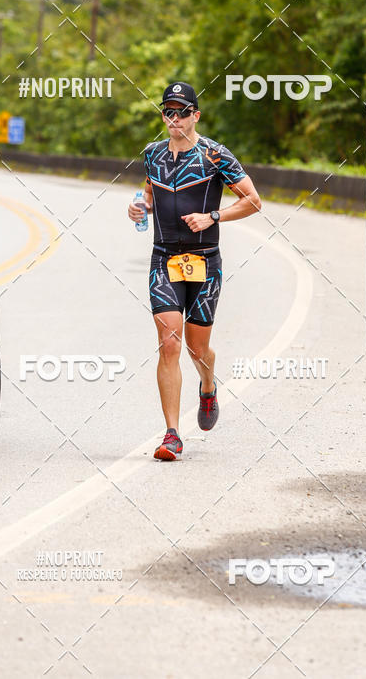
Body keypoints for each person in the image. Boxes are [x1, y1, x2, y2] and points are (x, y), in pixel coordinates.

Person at [127, 82, 262, 461]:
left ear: (195, 115)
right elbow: (150, 196)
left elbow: (253, 200)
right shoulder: (152, 155)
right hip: (163, 260)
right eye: (168, 111)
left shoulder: (215, 155)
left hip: (205, 262)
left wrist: (213, 216)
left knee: (196, 347)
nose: (174, 119)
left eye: (182, 112)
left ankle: (207, 385)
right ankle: (172, 434)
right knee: (169, 342)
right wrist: (139, 208)